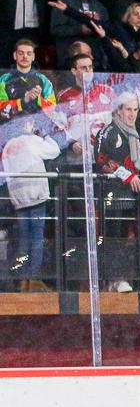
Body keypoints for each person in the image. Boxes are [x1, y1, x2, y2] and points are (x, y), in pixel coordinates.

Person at [94, 94, 140, 292]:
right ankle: (111, 280)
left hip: (131, 198)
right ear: (118, 111)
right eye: (128, 109)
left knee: (126, 239)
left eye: (135, 110)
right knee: (112, 238)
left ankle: (126, 278)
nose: (132, 114)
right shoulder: (107, 132)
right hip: (111, 197)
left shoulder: (134, 135)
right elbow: (101, 159)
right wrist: (127, 176)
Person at [2, 118, 60, 291]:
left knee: (24, 239)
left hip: (19, 199)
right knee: (36, 239)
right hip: (35, 196)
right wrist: (45, 135)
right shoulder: (31, 141)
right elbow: (54, 150)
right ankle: (33, 278)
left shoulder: (7, 147)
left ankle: (23, 280)